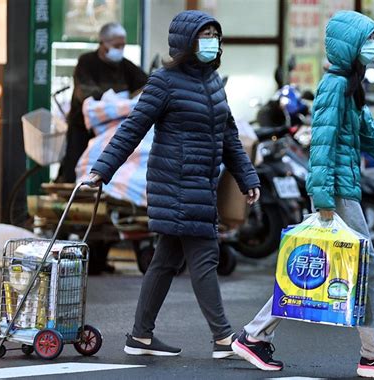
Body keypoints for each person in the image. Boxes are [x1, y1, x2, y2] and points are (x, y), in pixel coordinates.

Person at [231, 10, 374, 378]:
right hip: (336, 193)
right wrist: (324, 200)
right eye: (368, 40)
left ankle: (255, 335)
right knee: (364, 268)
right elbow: (321, 147)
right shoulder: (334, 86)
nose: (373, 47)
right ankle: (372, 354)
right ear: (350, 45)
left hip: (344, 190)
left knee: (314, 271)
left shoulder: (349, 86)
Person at [86, 11, 260, 358]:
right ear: (186, 42)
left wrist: (247, 177)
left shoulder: (212, 81)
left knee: (165, 260)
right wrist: (101, 171)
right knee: (205, 255)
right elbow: (132, 129)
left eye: (215, 35)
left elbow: (229, 137)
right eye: (204, 35)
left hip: (201, 183)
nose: (212, 41)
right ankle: (224, 337)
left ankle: (140, 336)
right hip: (178, 183)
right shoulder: (164, 82)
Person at [56, 22, 148, 183]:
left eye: (122, 45)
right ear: (102, 44)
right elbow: (85, 92)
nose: (120, 49)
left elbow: (145, 84)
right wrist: (111, 102)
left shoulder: (126, 66)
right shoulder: (86, 62)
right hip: (82, 126)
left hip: (110, 128)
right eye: (116, 45)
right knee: (74, 164)